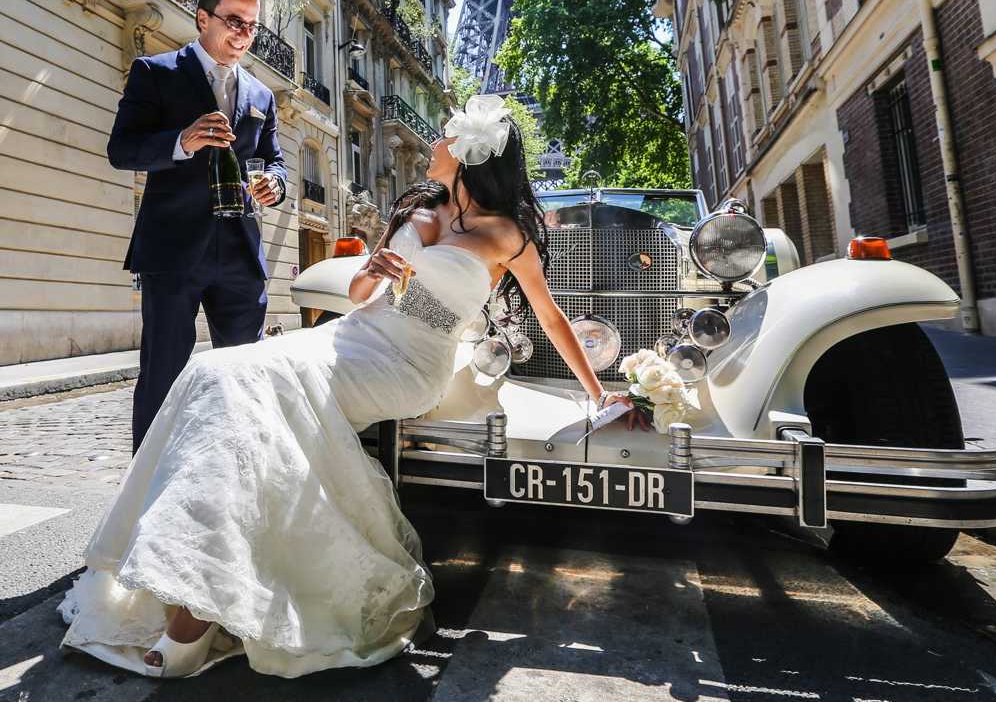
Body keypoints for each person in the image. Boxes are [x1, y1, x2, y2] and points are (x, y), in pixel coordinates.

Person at [61, 94, 632, 679]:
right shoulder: (416, 211)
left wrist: (595, 391)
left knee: (260, 386)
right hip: (352, 335)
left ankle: (194, 618)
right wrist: (373, 273)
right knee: (216, 371)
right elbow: (360, 297)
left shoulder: (506, 235)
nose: (432, 144)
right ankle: (197, 586)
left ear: (464, 155)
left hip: (408, 364)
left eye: (443, 138)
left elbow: (551, 316)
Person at [107, 0, 288, 453]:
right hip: (172, 250)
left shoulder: (261, 96)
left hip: (240, 254)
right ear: (203, 18)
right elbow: (122, 150)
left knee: (243, 374)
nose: (243, 34)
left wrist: (276, 184)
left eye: (252, 25)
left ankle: (235, 474)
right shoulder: (156, 72)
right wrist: (181, 142)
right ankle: (147, 482)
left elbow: (275, 161)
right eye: (234, 20)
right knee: (163, 373)